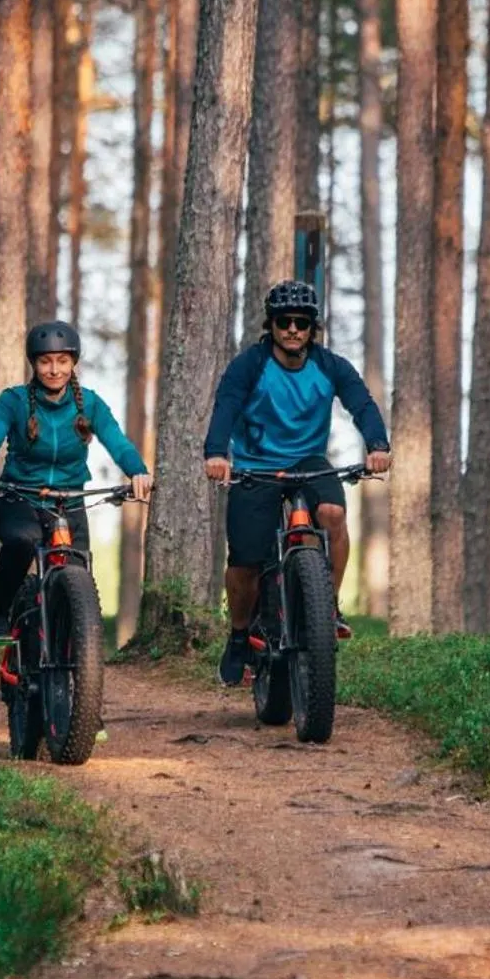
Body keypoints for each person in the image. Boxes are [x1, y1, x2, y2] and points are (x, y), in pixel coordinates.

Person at [202, 280, 391, 687]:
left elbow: (360, 403)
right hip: (255, 466)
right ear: (271, 325)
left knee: (333, 513)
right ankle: (238, 636)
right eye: (284, 322)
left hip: (308, 462)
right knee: (246, 562)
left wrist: (377, 444)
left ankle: (327, 607)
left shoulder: (330, 366)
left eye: (301, 323)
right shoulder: (250, 365)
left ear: (312, 328)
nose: (293, 330)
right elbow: (227, 405)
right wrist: (216, 453)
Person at [0, 320, 152, 640]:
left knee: (78, 576)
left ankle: (74, 653)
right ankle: (1, 613)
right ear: (34, 364)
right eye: (45, 361)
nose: (54, 369)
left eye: (62, 361)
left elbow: (116, 441)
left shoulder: (90, 403)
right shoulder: (14, 401)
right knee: (23, 541)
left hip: (68, 501)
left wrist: (137, 471)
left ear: (73, 363)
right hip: (18, 498)